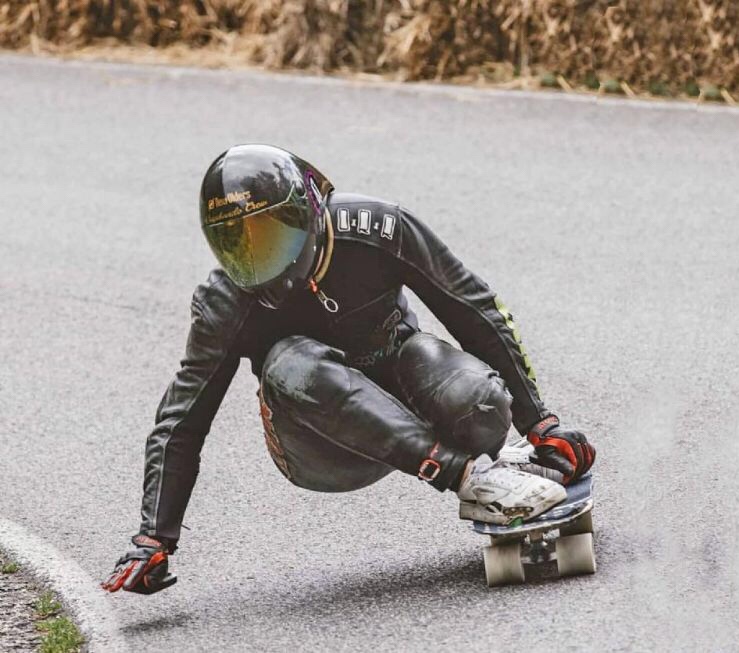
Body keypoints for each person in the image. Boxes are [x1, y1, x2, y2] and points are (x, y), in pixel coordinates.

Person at [101, 144, 595, 595]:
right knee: (291, 362)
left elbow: (472, 306)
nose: (255, 262)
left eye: (269, 238)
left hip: (406, 396)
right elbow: (182, 419)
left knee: (479, 400)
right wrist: (154, 536)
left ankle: (498, 465)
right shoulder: (225, 301)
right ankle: (471, 479)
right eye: (236, 245)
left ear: (308, 215)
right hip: (322, 446)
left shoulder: (379, 228)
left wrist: (539, 422)